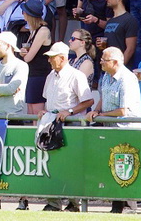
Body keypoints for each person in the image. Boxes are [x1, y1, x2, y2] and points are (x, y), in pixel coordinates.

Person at [41, 40, 92, 213]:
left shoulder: (77, 76)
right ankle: (54, 203)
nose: (49, 60)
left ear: (62, 58)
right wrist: (45, 111)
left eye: (52, 57)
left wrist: (69, 111)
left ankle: (74, 203)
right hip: (51, 124)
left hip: (71, 125)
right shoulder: (50, 76)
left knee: (71, 164)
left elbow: (88, 101)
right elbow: (49, 100)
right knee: (51, 163)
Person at [87, 46, 141, 127]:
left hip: (126, 129)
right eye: (101, 60)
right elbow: (104, 96)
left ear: (115, 62)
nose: (100, 62)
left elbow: (123, 111)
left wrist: (103, 115)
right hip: (110, 127)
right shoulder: (107, 75)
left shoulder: (127, 79)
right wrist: (96, 111)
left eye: (104, 60)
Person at [0, 31, 29, 115]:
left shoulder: (21, 65)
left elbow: (10, 89)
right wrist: (2, 92)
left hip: (14, 116)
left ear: (8, 46)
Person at [103, 0, 140, 67]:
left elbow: (130, 49)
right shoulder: (110, 21)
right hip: (108, 66)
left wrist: (119, 67)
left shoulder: (129, 20)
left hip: (120, 67)